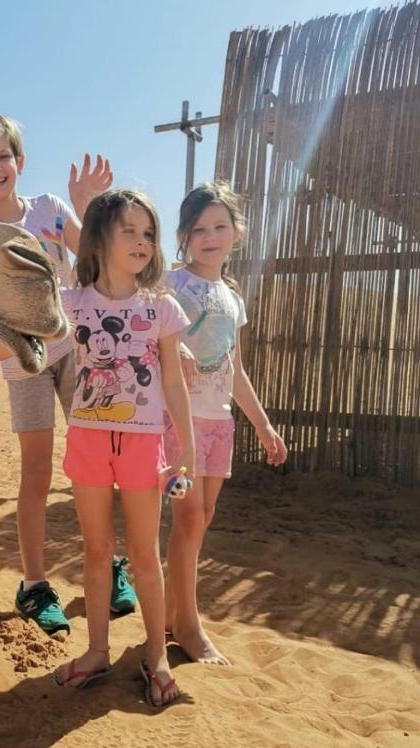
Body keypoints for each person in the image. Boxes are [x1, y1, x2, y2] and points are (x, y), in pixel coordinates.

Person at [0, 110, 137, 636]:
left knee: (97, 465)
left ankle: (111, 565)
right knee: (36, 473)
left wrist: (87, 208)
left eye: (2, 156)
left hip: (80, 350)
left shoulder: (50, 212)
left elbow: (99, 265)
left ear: (20, 161)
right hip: (24, 361)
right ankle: (34, 585)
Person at [52, 189, 195, 707]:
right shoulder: (71, 303)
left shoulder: (160, 307)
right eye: (128, 231)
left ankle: (155, 656)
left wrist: (188, 448)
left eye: (148, 234)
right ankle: (96, 651)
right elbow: (26, 344)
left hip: (143, 444)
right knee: (95, 549)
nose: (141, 242)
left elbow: (174, 383)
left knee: (143, 553)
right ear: (100, 238)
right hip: (88, 439)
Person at [163, 181, 288, 665]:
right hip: (180, 425)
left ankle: (177, 614)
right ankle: (189, 628)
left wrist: (262, 424)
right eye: (198, 229)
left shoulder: (232, 299)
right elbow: (153, 339)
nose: (209, 236)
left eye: (219, 226)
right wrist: (179, 347)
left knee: (204, 518)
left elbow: (235, 371)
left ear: (237, 232)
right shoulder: (173, 285)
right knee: (187, 516)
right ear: (183, 236)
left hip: (219, 424)